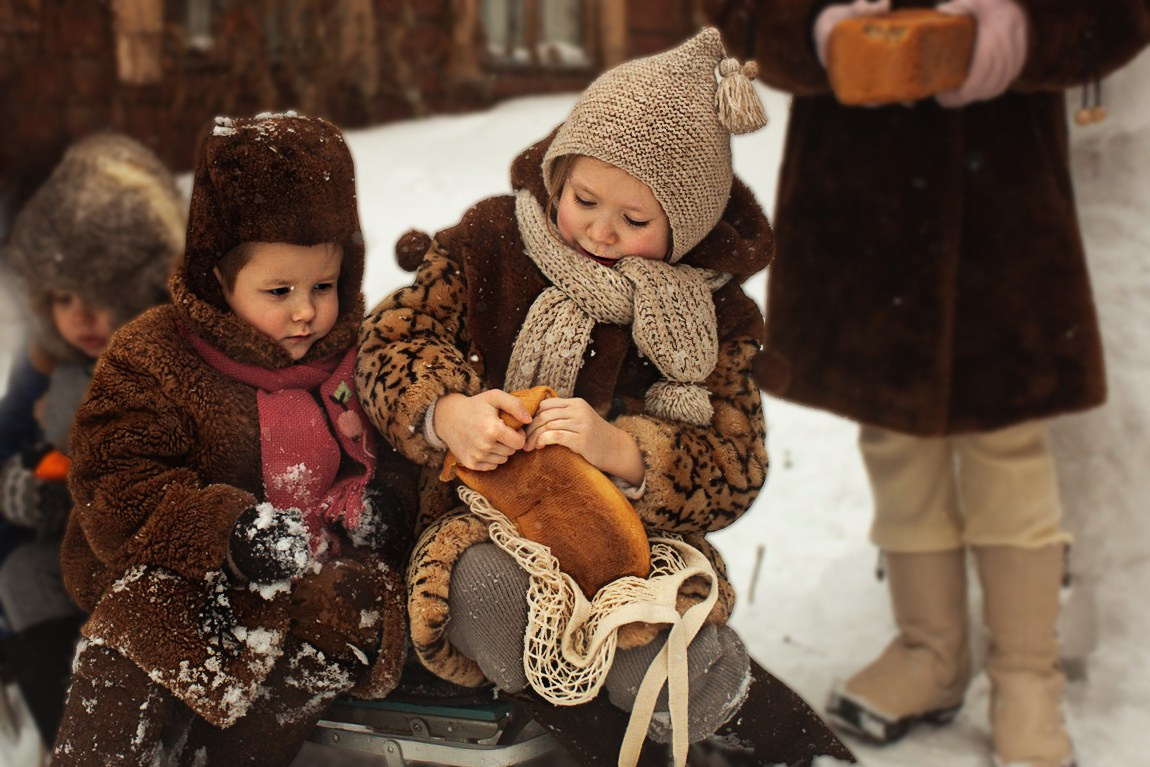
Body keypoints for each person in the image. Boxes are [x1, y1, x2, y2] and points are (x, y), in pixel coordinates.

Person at [356, 28, 853, 766]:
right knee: (501, 608)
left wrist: (623, 450)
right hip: (477, 522)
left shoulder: (709, 315)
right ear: (559, 177)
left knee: (656, 647)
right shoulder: (491, 243)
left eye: (636, 220)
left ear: (683, 226)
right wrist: (448, 413)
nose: (600, 230)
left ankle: (776, 745)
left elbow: (734, 460)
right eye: (585, 199)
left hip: (622, 543)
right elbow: (392, 342)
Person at [705, 1, 1150, 766]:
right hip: (858, 203)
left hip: (1005, 205)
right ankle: (930, 651)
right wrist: (815, 32)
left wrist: (1024, 32)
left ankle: (1026, 677)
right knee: (893, 433)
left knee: (1008, 437)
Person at [51, 111, 418, 767]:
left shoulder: (361, 358)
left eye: (324, 286)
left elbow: (405, 448)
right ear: (218, 279)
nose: (306, 310)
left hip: (314, 577)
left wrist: (381, 502)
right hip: (190, 568)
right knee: (144, 615)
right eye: (278, 290)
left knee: (348, 612)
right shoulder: (156, 356)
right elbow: (116, 478)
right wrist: (232, 532)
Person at [0, 130, 184, 749]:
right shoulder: (50, 364)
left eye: (97, 294)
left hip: (170, 566)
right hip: (75, 566)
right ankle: (65, 745)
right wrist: (24, 487)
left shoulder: (179, 359)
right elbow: (13, 446)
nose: (77, 316)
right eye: (61, 297)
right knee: (23, 573)